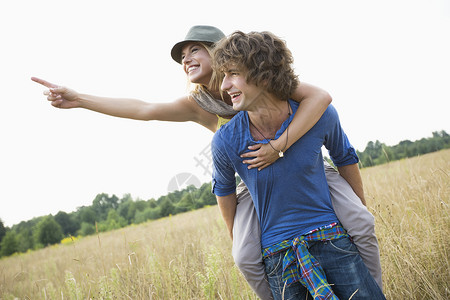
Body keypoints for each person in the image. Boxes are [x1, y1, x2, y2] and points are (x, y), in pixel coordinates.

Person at [31, 25, 381, 299]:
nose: (186, 58)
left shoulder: (260, 78)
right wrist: (80, 99)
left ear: (220, 51)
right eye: (181, 55)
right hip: (252, 186)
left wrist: (278, 145)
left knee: (360, 221)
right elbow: (143, 109)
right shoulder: (199, 104)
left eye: (194, 49)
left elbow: (320, 98)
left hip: (305, 166)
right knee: (244, 256)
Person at [211, 31, 385, 299]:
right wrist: (244, 246)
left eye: (233, 74)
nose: (225, 86)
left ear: (264, 75)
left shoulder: (320, 114)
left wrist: (357, 213)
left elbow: (345, 158)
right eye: (224, 76)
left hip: (333, 240)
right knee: (242, 257)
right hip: (277, 257)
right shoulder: (225, 140)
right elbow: (225, 194)